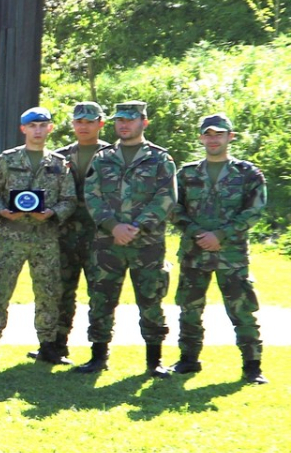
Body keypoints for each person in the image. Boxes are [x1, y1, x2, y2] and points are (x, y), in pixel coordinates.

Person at [76, 101, 178, 377]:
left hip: (147, 243)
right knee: (101, 298)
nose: (124, 125)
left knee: (151, 298)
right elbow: (92, 195)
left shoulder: (160, 159)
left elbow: (166, 197)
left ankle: (154, 360)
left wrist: (135, 226)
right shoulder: (103, 157)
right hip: (108, 242)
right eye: (120, 120)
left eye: (130, 120)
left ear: (143, 123)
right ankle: (98, 356)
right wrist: (112, 226)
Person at [169, 113, 268, 383]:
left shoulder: (248, 173)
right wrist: (195, 231)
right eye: (208, 134)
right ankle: (188, 360)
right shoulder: (187, 173)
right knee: (189, 309)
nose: (213, 139)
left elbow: (255, 210)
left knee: (242, 310)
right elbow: (173, 208)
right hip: (194, 252)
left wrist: (221, 234)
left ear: (230, 137)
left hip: (231, 255)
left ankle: (252, 366)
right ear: (201, 137)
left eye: (219, 134)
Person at [0, 107, 75, 365]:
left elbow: (69, 199)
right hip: (11, 236)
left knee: (48, 293)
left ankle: (47, 346)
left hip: (45, 237)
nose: (38, 131)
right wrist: (2, 211)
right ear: (23, 129)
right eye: (33, 126)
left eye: (43, 126)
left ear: (50, 128)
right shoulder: (7, 160)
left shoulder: (58, 163)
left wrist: (52, 212)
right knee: (0, 291)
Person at [46, 101, 106, 364]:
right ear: (72, 124)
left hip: (100, 236)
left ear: (100, 124)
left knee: (101, 294)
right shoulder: (58, 157)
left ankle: (99, 352)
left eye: (89, 121)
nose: (83, 126)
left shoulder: (111, 156)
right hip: (64, 234)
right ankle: (57, 346)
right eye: (79, 121)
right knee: (60, 291)